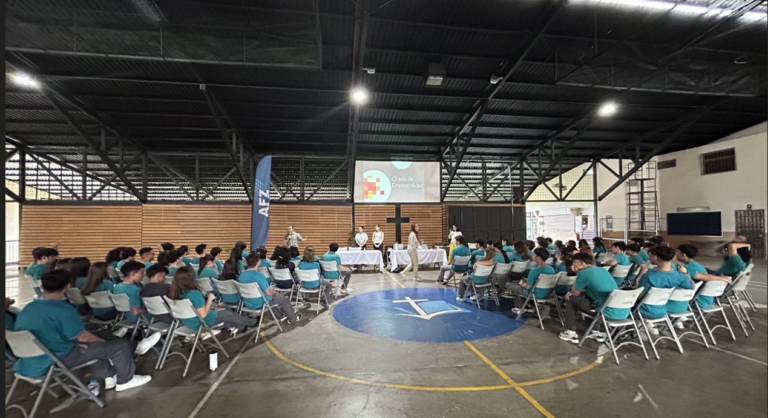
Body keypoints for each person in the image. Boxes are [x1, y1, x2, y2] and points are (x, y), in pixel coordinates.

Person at [14, 269, 160, 392]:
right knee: (117, 346)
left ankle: (111, 375)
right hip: (57, 358)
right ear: (67, 286)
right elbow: (83, 338)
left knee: (101, 333)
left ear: (42, 286)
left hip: (31, 360)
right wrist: (101, 342)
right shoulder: (63, 310)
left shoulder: (29, 308)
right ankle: (125, 380)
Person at [169, 267, 256, 337]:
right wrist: (210, 299)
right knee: (227, 314)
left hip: (188, 322)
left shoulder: (176, 292)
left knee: (225, 309)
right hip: (201, 322)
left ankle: (240, 327)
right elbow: (203, 315)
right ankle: (252, 322)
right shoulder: (194, 294)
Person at [558, 253, 620, 344]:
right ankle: (595, 331)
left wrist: (577, 275)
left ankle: (570, 332)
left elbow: (575, 293)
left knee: (570, 299)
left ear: (582, 263)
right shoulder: (601, 269)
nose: (573, 264)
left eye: (574, 262)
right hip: (621, 311)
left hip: (606, 312)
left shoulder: (583, 273)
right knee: (590, 299)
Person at [638, 246, 694, 335]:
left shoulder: (649, 276)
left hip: (644, 311)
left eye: (651, 256)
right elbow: (692, 286)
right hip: (663, 310)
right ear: (673, 258)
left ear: (656, 258)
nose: (649, 258)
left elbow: (640, 295)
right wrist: (685, 273)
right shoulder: (678, 276)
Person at [238, 252, 301, 324]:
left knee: (274, 298)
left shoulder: (241, 276)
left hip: (248, 303)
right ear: (258, 262)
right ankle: (293, 319)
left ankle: (281, 316)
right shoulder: (259, 275)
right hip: (261, 303)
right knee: (284, 299)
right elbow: (268, 293)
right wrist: (275, 293)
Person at [675, 244, 732, 319]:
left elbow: (706, 277)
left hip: (698, 300)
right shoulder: (697, 265)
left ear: (683, 255)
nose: (675, 254)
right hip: (708, 300)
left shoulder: (688, 268)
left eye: (677, 252)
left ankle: (679, 319)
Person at [507, 248, 556, 314]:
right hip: (546, 294)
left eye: (534, 254)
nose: (533, 255)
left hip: (534, 294)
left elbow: (527, 287)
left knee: (509, 284)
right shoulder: (551, 269)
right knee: (521, 289)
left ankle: (519, 307)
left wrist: (521, 283)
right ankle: (528, 304)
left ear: (538, 257)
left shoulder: (534, 271)